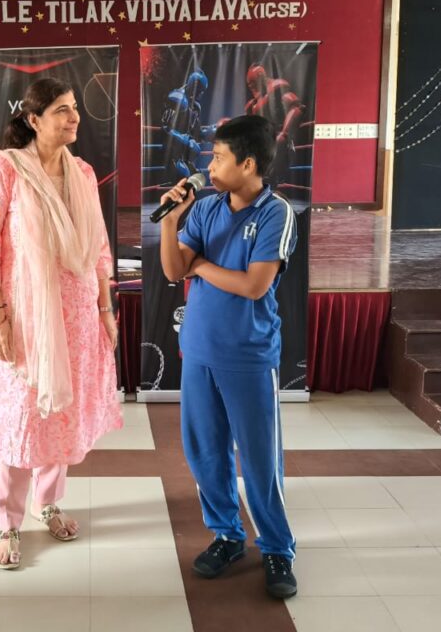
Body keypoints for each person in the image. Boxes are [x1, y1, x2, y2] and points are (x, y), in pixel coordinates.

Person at [0, 77, 123, 569]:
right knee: (19, 415)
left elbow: (99, 248)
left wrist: (105, 310)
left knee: (59, 414)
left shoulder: (83, 172)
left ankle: (49, 502)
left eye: (74, 107)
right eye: (61, 109)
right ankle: (6, 521)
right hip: (24, 318)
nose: (73, 116)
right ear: (34, 119)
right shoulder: (7, 169)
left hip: (76, 316)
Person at [158, 114, 299, 599]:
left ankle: (277, 548)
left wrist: (200, 265)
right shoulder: (204, 209)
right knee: (205, 452)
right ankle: (227, 536)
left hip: (249, 356)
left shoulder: (275, 213)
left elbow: (254, 285)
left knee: (259, 459)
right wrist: (171, 220)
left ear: (249, 163)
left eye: (218, 158)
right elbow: (174, 271)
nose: (210, 166)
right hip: (199, 350)